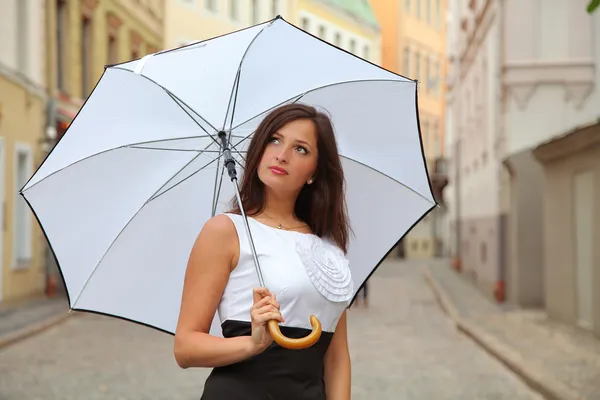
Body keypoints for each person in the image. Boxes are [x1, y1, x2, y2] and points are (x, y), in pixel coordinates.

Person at [174, 103, 354, 399]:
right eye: (274, 140)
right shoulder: (225, 231)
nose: (281, 155)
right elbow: (185, 348)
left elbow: (336, 360)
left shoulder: (328, 249)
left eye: (301, 149)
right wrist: (252, 344)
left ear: (315, 172)